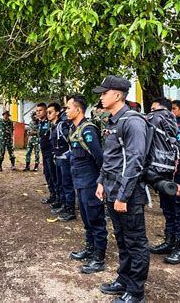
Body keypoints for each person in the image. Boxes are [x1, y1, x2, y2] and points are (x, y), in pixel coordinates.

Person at [93, 76, 149, 303]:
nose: (101, 96)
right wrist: (100, 181)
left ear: (117, 95)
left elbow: (135, 161)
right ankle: (124, 280)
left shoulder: (132, 121)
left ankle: (136, 291)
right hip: (112, 189)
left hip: (128, 194)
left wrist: (124, 195)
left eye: (104, 93)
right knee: (122, 238)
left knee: (135, 241)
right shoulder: (113, 120)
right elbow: (111, 159)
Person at [149, 97, 180, 265]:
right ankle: (169, 242)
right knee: (168, 211)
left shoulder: (178, 130)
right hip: (165, 179)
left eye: (155, 109)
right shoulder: (158, 128)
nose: (152, 113)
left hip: (178, 180)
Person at [66, 95, 107, 273]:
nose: (66, 111)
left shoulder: (88, 130)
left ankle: (99, 257)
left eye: (68, 108)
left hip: (91, 182)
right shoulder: (74, 129)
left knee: (96, 219)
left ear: (78, 109)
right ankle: (90, 248)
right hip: (80, 182)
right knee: (86, 218)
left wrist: (101, 182)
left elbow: (99, 158)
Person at [47, 103, 76, 221]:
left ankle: (70, 209)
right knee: (60, 183)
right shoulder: (53, 126)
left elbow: (70, 140)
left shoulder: (62, 126)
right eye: (48, 112)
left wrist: (68, 154)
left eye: (50, 112)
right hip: (58, 159)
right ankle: (64, 205)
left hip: (65, 159)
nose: (48, 114)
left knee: (67, 184)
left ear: (57, 113)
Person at [36, 103, 57, 204]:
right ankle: (52, 194)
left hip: (51, 153)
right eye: (37, 111)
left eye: (40, 110)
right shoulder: (40, 123)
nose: (38, 112)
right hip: (44, 153)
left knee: (53, 174)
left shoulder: (50, 123)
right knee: (47, 174)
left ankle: (58, 197)